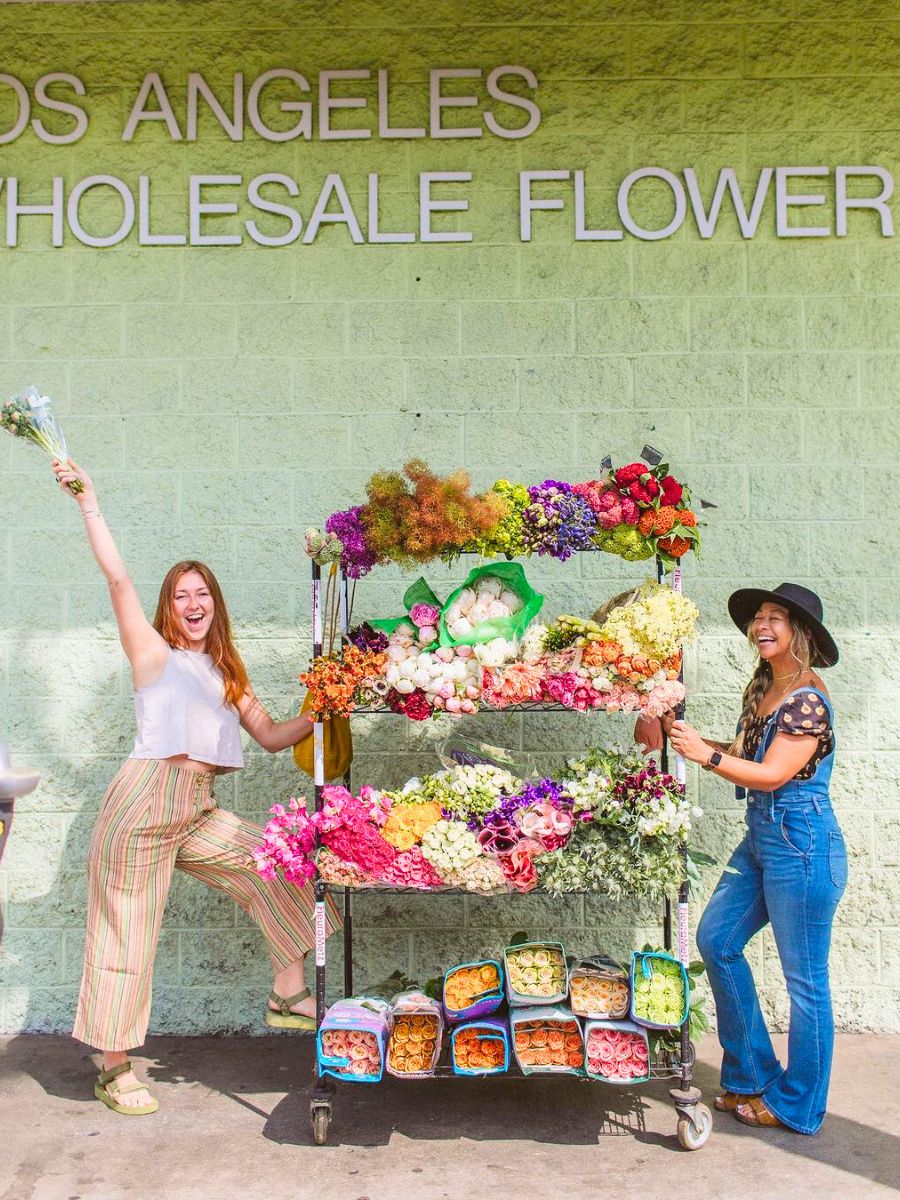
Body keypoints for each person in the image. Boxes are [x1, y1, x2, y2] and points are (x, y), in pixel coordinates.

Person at [53, 457, 340, 1117]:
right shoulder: (154, 653)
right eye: (180, 595)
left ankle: (287, 989)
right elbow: (118, 578)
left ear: (215, 603)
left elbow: (270, 735)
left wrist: (322, 710)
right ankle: (115, 1067)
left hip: (196, 808)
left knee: (277, 860)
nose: (191, 604)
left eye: (201, 593)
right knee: (127, 931)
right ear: (167, 607)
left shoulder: (224, 671)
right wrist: (89, 502)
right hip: (142, 802)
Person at [636, 583, 847, 1136]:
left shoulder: (807, 697)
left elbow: (775, 773)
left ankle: (798, 1103)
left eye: (777, 617)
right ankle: (751, 1072)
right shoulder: (765, 688)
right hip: (763, 836)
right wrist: (691, 738)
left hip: (802, 841)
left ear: (802, 633)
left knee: (805, 981)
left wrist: (703, 755)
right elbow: (747, 757)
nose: (763, 624)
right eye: (759, 617)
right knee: (717, 939)